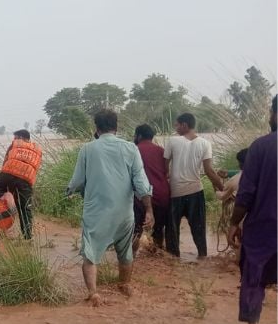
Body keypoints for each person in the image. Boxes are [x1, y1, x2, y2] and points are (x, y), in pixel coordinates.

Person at [67, 110, 154, 306]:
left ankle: (94, 293)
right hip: (124, 212)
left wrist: (69, 190)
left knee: (91, 254)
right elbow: (141, 183)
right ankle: (124, 285)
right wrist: (149, 210)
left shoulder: (88, 149)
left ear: (96, 128)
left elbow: (78, 181)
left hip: (96, 212)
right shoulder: (131, 148)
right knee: (125, 253)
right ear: (116, 127)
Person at [226, 96, 277, 324]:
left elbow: (245, 194)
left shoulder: (260, 147)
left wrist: (234, 223)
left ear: (274, 114)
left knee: (254, 278)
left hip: (264, 228)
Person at [164, 113, 224, 258]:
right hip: (196, 192)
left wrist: (168, 177)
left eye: (177, 125)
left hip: (176, 192)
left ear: (184, 125)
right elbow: (209, 171)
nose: (176, 128)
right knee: (199, 228)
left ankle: (173, 259)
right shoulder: (205, 143)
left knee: (172, 229)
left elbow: (165, 168)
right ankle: (202, 256)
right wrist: (222, 188)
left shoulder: (172, 141)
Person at [0, 129, 41, 239]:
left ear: (22, 138)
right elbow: (35, 168)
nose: (15, 140)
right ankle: (27, 237)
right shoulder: (37, 150)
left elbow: (5, 162)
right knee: (25, 208)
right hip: (25, 179)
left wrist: (0, 179)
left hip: (7, 174)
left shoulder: (14, 145)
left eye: (16, 138)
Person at [132, 124, 171, 254]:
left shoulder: (133, 150)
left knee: (136, 230)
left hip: (140, 196)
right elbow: (167, 171)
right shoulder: (161, 151)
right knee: (159, 229)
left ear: (139, 136)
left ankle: (131, 259)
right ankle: (158, 253)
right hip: (162, 194)